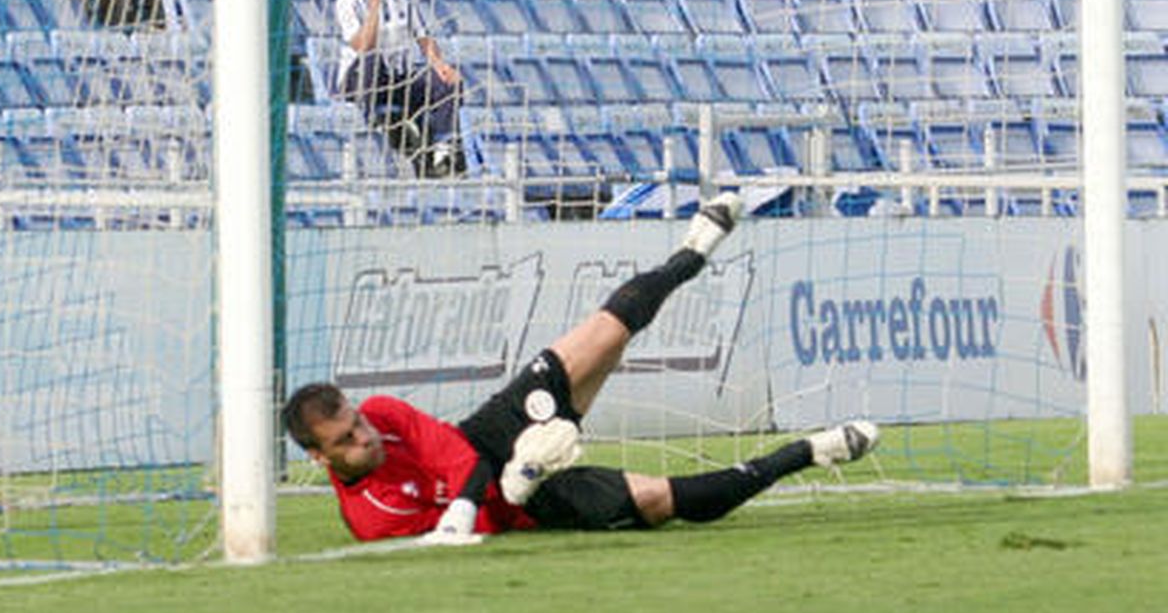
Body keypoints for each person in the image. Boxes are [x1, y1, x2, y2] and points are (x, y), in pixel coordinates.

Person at [283, 195, 881, 543]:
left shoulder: (384, 414)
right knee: (657, 499)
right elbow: (465, 533)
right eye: (347, 440)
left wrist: (483, 488)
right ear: (320, 456)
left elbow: (460, 458)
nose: (365, 437)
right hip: (523, 504)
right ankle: (807, 453)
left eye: (358, 424)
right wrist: (512, 490)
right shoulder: (370, 518)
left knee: (602, 334)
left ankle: (690, 251)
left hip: (489, 439)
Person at [333, 0, 464, 178]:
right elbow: (363, 46)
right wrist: (374, 5)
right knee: (371, 60)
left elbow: (423, 36)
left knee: (445, 80)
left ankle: (444, 151)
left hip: (399, 77)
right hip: (361, 79)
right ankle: (379, 122)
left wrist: (439, 65)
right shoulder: (347, 1)